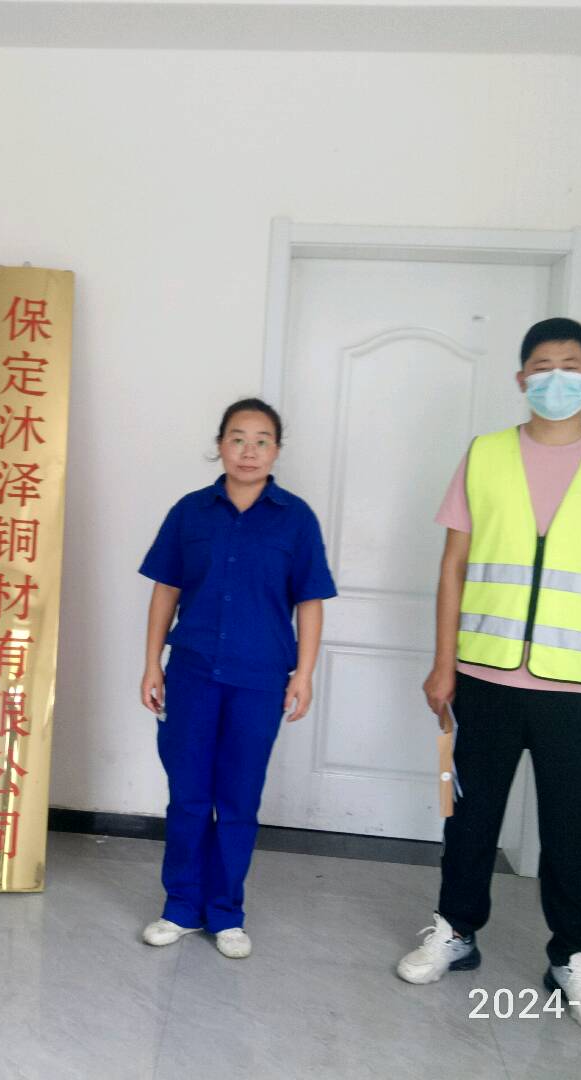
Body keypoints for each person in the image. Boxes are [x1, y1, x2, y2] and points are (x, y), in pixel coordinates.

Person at [396, 318, 581, 1034]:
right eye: (541, 366)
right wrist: (443, 663)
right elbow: (453, 566)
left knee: (571, 829)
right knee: (467, 814)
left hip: (575, 687)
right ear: (520, 379)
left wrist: (572, 621)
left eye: (570, 365)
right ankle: (455, 930)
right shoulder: (484, 455)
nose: (555, 377)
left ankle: (572, 956)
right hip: (484, 676)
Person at [137, 398, 336, 959]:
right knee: (188, 796)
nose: (249, 451)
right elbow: (166, 590)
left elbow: (311, 601)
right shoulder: (190, 512)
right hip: (193, 674)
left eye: (262, 440)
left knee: (239, 798)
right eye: (238, 439)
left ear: (277, 449)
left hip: (260, 680)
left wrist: (304, 674)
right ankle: (181, 906)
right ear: (220, 445)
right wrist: (152, 663)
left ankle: (226, 913)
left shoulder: (296, 519)